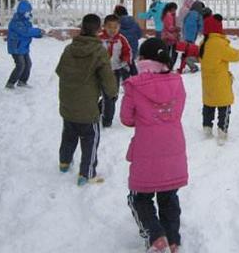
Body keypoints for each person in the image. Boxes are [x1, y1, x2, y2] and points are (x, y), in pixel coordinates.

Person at [121, 38, 188, 253]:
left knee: (140, 196)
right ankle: (173, 240)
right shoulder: (177, 81)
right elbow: (178, 110)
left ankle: (156, 235)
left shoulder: (134, 84)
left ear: (142, 59)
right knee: (169, 196)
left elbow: (126, 118)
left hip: (146, 148)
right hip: (173, 146)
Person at [56, 14, 116, 185]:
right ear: (99, 30)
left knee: (69, 134)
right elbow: (107, 77)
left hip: (68, 103)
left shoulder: (69, 49)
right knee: (90, 139)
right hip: (88, 107)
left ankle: (64, 162)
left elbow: (60, 70)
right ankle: (87, 173)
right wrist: (112, 93)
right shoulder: (99, 51)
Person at [199, 14, 239, 145]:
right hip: (220, 81)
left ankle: (207, 128)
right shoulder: (219, 44)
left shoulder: (204, 43)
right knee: (223, 106)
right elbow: (234, 55)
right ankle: (222, 131)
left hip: (208, 82)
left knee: (208, 105)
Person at [99, 14, 133, 128]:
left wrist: (125, 60)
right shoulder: (98, 39)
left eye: (115, 27)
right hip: (101, 71)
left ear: (119, 27)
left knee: (113, 96)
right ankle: (107, 120)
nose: (112, 30)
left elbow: (127, 52)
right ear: (104, 26)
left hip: (115, 71)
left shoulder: (121, 39)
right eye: (109, 27)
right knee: (108, 96)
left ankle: (101, 107)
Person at [5, 0, 42, 89]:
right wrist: (39, 31)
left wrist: (39, 35)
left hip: (23, 47)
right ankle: (10, 83)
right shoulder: (16, 22)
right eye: (28, 11)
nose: (29, 13)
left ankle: (22, 81)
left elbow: (29, 32)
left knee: (28, 64)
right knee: (20, 65)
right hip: (16, 47)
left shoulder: (26, 21)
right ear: (22, 11)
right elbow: (25, 32)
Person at [161, 3, 181, 68]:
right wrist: (177, 29)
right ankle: (169, 66)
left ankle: (168, 65)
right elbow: (169, 27)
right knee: (174, 52)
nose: (175, 10)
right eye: (175, 9)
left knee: (169, 51)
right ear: (172, 8)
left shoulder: (169, 15)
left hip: (168, 36)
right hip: (170, 36)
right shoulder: (168, 15)